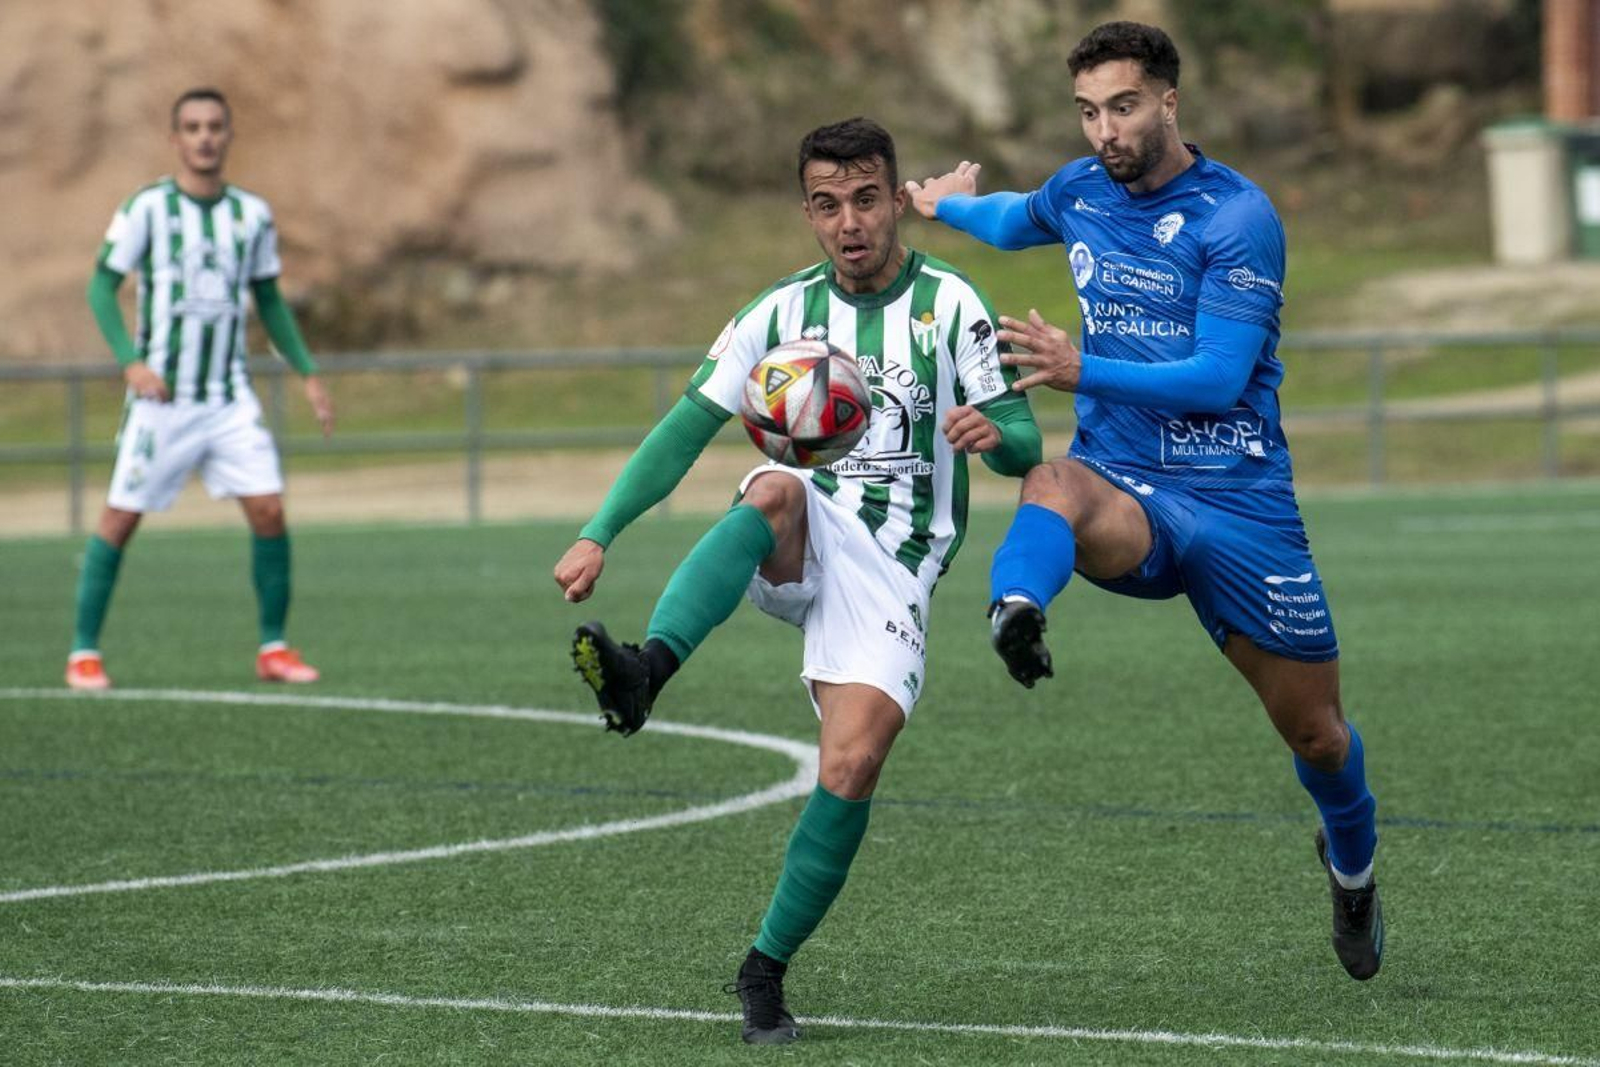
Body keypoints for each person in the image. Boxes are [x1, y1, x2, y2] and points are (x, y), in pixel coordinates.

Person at [905, 22, 1384, 980]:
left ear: (1170, 101)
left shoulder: (1237, 218)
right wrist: (953, 208)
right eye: (1088, 111)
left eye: (1123, 107)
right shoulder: (1084, 188)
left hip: (1240, 502)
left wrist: (1082, 368)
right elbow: (1014, 218)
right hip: (1125, 486)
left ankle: (1354, 868)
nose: (1104, 131)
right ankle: (1017, 607)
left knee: (1318, 735)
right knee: (1051, 483)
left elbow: (1216, 377)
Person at [554, 117, 1041, 1043]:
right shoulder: (776, 315)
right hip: (806, 527)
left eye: (866, 199)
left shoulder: (951, 307)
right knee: (775, 486)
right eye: (827, 205)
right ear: (807, 211)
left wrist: (994, 436)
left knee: (852, 764)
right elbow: (683, 431)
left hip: (895, 564)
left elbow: (1023, 439)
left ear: (896, 199)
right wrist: (599, 531)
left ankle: (763, 968)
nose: (849, 223)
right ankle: (644, 672)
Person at [66, 87, 334, 691]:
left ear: (228, 135)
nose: (204, 136)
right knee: (120, 519)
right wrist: (131, 362)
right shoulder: (147, 209)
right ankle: (83, 652)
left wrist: (309, 373)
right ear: (176, 138)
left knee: (268, 509)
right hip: (164, 399)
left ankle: (274, 647)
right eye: (192, 127)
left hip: (227, 398)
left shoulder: (252, 215)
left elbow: (268, 299)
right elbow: (100, 289)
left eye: (214, 126)